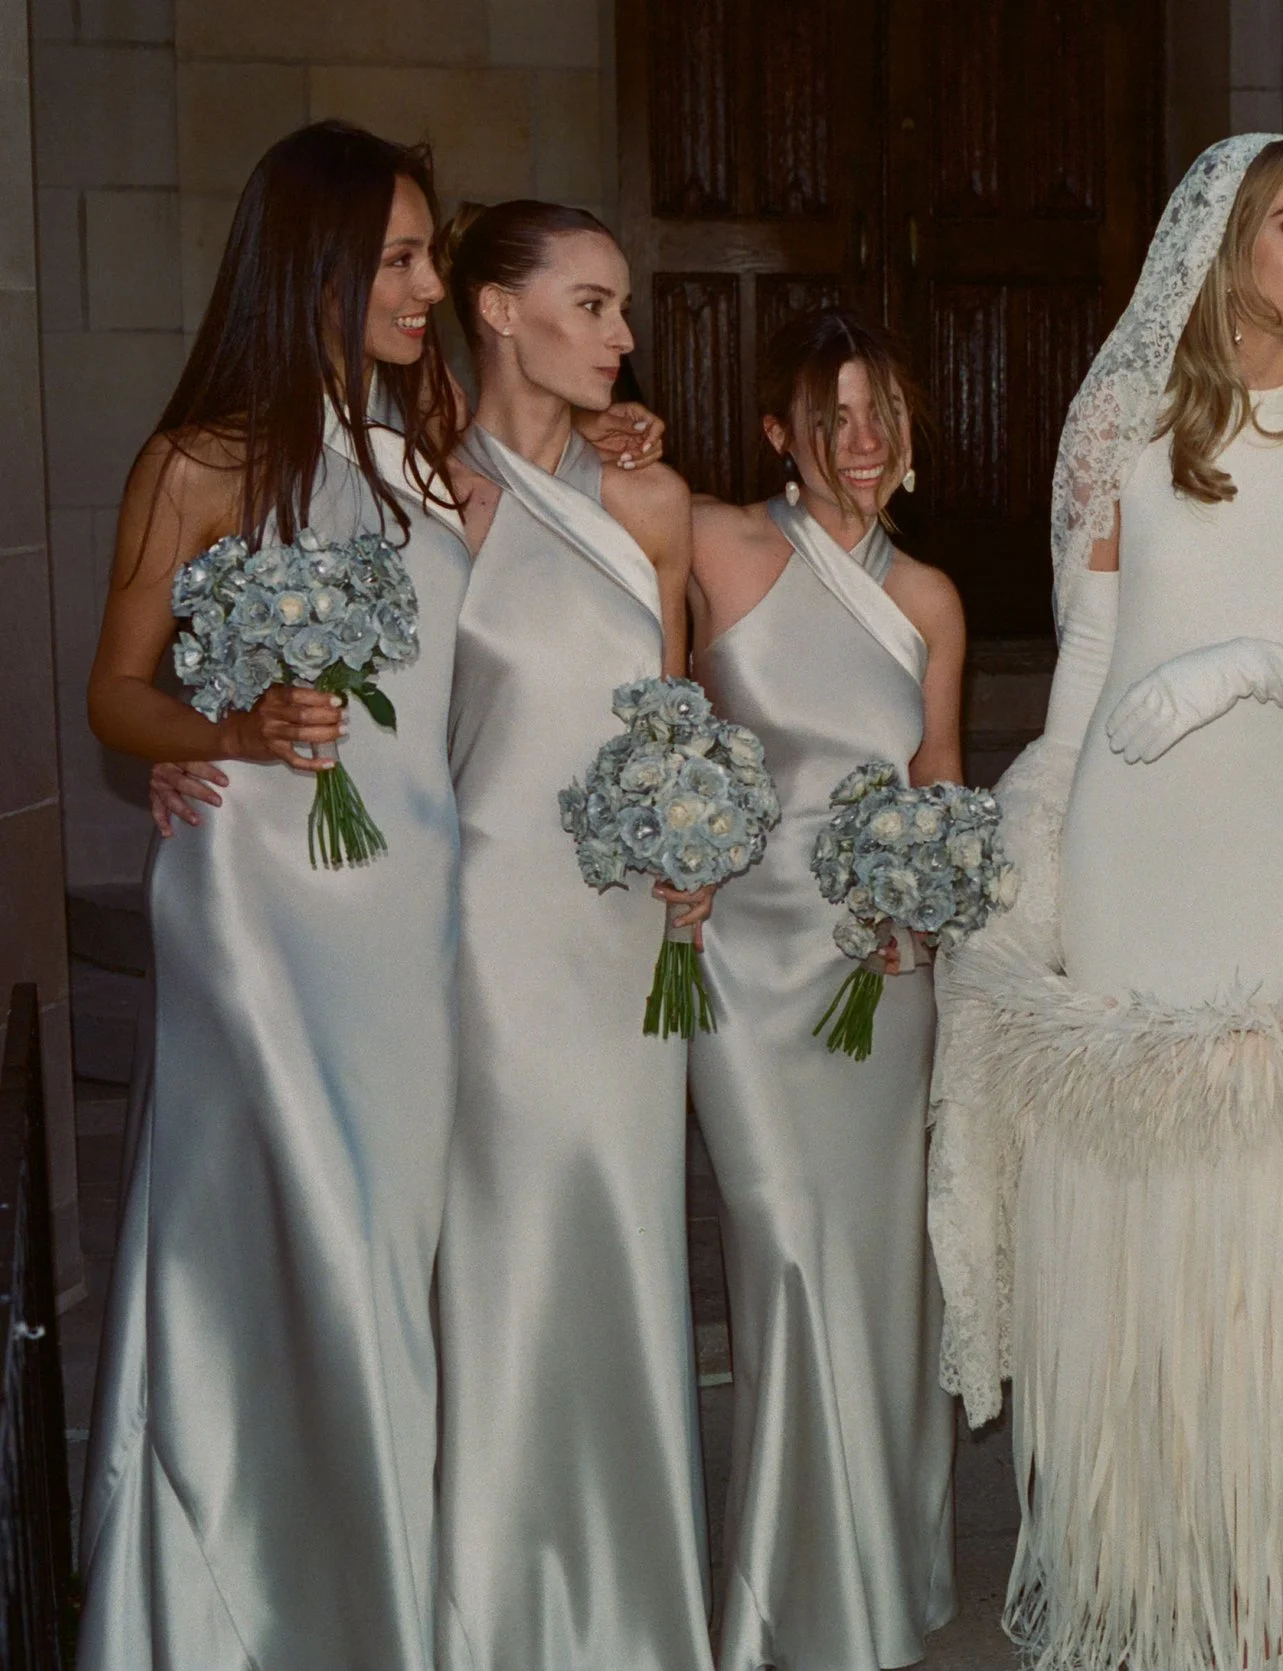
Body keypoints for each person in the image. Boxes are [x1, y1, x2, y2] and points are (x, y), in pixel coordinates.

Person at [927, 134, 1283, 1671]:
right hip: (1132, 839)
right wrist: (1033, 825)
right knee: (1141, 1196)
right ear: (1221, 244)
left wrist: (1237, 670)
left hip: (1274, 835)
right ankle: (1151, 1591)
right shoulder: (1122, 414)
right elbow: (1088, 661)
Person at [76, 119, 469, 1671]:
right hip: (265, 906)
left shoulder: (423, 455)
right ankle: (287, 1616)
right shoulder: (199, 463)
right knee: (301, 1247)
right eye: (399, 257)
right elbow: (117, 694)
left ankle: (358, 1594)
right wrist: (224, 728)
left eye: (432, 255)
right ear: (313, 268)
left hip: (410, 914)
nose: (429, 283)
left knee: (389, 1257)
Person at [428, 199, 714, 1671]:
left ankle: (630, 1612)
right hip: (486, 930)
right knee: (502, 1250)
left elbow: (674, 721)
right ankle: (486, 1611)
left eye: (620, 308)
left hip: (625, 941)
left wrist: (697, 847)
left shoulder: (651, 502)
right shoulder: (422, 493)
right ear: (495, 308)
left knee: (621, 1235)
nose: (619, 334)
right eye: (591, 304)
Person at [687, 306, 965, 1670]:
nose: (862, 442)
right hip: (743, 959)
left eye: (882, 415)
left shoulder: (929, 602)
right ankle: (785, 1594)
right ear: (777, 435)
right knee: (783, 1251)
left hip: (883, 975)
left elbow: (944, 791)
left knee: (870, 1267)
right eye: (832, 417)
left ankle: (871, 1564)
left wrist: (925, 894)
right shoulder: (717, 544)